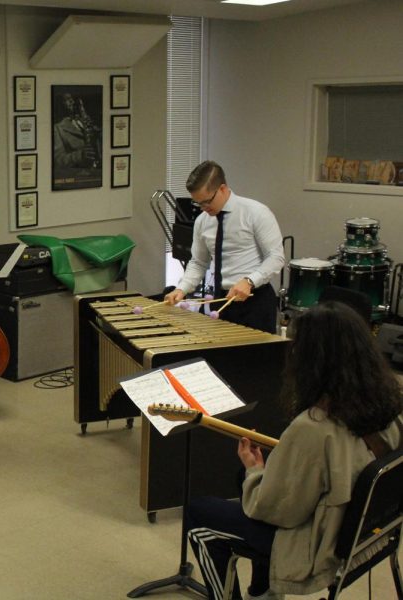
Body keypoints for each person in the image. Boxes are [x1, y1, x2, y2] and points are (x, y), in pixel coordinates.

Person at [186, 301, 403, 600]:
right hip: (371, 532)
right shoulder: (389, 403)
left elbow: (279, 510)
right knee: (247, 477)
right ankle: (263, 592)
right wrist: (264, 470)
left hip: (321, 544)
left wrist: (255, 470)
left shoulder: (312, 427)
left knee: (199, 512)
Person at [165, 161, 285, 333]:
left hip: (255, 300)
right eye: (198, 204)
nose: (204, 208)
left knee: (257, 358)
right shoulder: (202, 221)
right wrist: (181, 289)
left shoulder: (256, 213)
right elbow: (198, 262)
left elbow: (276, 257)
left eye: (207, 201)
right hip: (222, 299)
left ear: (222, 188)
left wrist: (250, 280)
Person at [52, 93, 100, 170]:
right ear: (60, 104)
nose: (73, 102)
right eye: (67, 99)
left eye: (73, 99)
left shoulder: (86, 120)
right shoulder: (57, 128)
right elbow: (57, 161)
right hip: (80, 174)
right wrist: (80, 156)